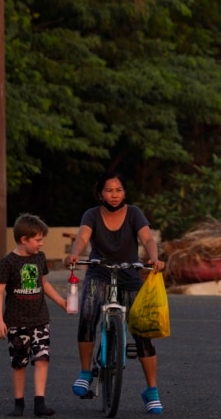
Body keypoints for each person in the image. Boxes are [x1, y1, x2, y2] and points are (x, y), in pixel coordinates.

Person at [67, 171, 166, 415]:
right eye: (109, 190)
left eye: (118, 190)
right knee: (88, 316)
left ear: (124, 192)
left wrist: (154, 258)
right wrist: (75, 253)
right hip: (99, 273)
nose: (114, 195)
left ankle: (151, 390)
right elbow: (82, 237)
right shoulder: (91, 214)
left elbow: (147, 239)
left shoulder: (134, 213)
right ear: (100, 193)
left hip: (130, 275)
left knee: (143, 332)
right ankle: (85, 372)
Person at [0, 213, 68, 417]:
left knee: (42, 358)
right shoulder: (8, 262)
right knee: (19, 363)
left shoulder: (39, 258)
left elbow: (44, 284)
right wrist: (0, 320)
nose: (41, 243)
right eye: (38, 240)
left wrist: (61, 301)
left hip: (40, 319)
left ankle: (39, 402)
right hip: (16, 322)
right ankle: (19, 403)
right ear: (24, 239)